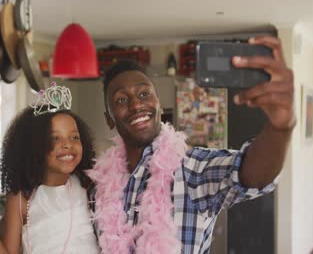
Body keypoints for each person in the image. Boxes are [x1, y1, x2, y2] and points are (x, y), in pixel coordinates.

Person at [86, 36, 295, 254]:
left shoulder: (192, 170)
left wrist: (281, 127)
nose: (136, 104)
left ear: (158, 104)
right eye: (121, 100)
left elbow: (251, 174)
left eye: (144, 94)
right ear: (109, 119)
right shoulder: (99, 188)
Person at [0, 84, 100, 254]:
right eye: (55, 138)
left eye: (74, 137)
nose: (67, 144)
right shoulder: (22, 199)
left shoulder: (88, 185)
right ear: (35, 146)